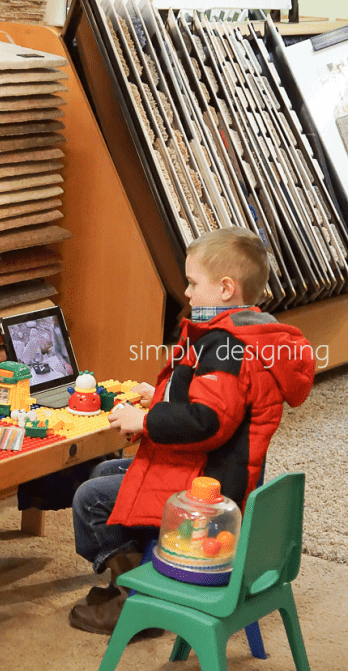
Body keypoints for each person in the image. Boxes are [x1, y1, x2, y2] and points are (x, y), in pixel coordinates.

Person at [69, 226, 316, 635]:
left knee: (90, 498)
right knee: (103, 475)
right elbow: (211, 395)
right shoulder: (247, 333)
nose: (185, 292)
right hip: (217, 472)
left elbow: (209, 422)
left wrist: (146, 421)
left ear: (224, 289)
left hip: (210, 489)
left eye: (191, 282)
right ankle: (138, 575)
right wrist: (162, 394)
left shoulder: (226, 346)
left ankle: (140, 602)